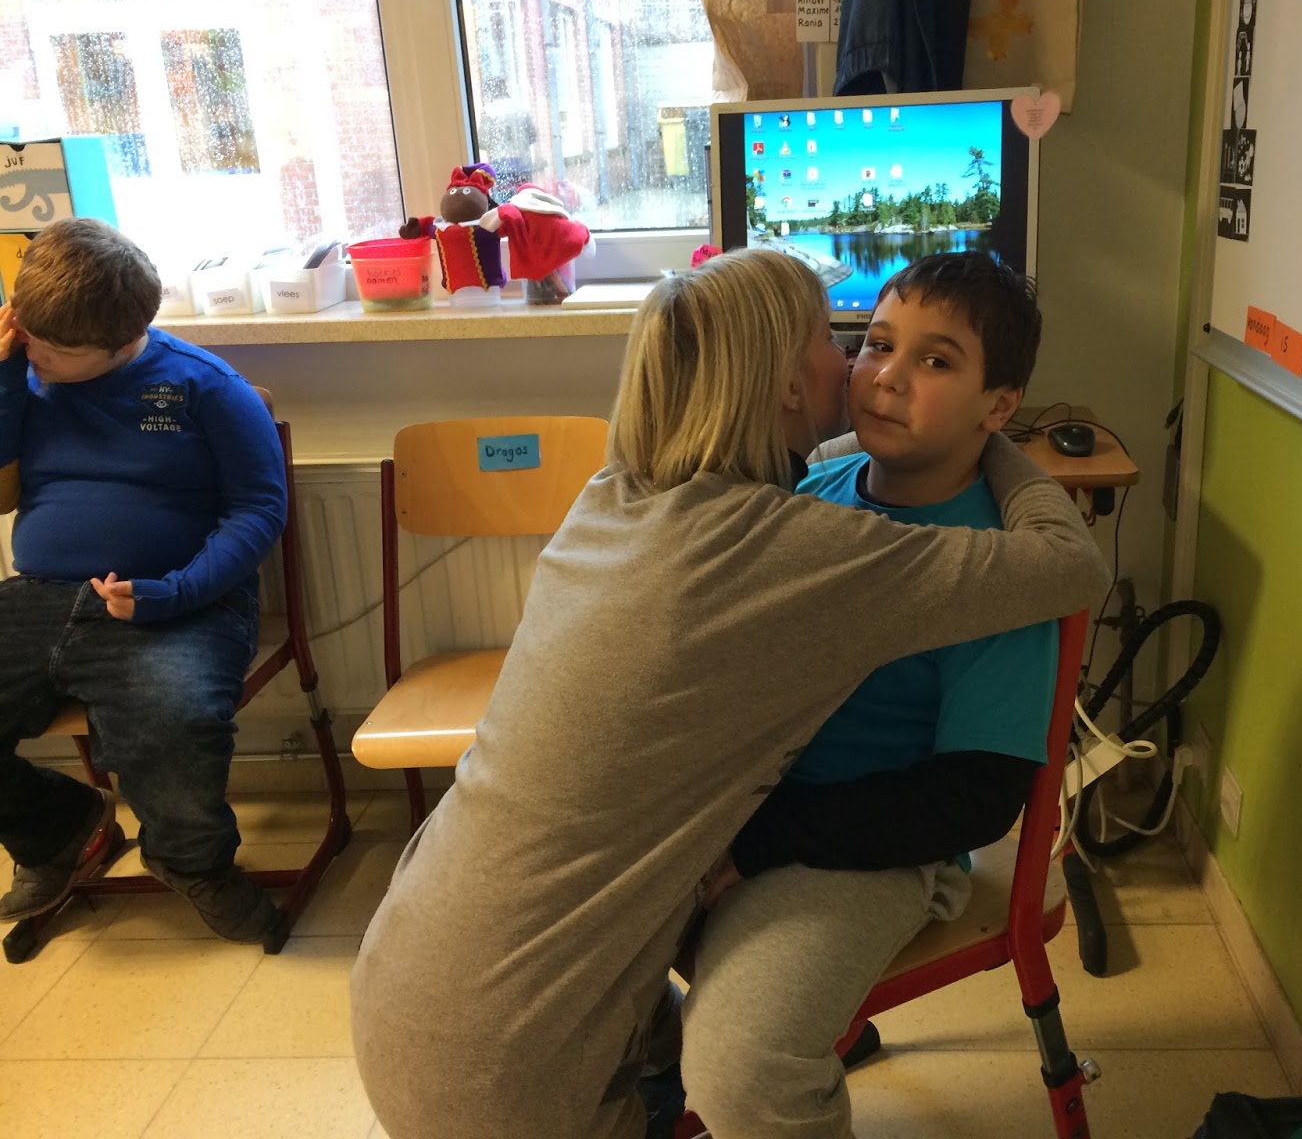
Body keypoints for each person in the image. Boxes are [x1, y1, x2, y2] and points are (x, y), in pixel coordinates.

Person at [349, 246, 1109, 1139]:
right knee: (721, 1045)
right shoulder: (795, 534)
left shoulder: (618, 492)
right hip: (504, 1076)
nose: (868, 372)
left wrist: (981, 440)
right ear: (787, 385)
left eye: (933, 360)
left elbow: (979, 786)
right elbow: (1065, 561)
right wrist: (993, 442)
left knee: (732, 1050)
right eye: (854, 342)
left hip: (407, 974)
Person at [674, 251, 1082, 1139]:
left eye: (936, 361)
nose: (888, 377)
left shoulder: (1001, 568)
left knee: (743, 1064)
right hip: (745, 814)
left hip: (873, 854)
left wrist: (761, 842)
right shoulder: (807, 489)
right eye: (877, 344)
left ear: (999, 407)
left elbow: (972, 799)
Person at [0, 218, 287, 942]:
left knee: (175, 720)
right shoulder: (22, 371)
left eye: (54, 348)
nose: (33, 352)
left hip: (174, 600)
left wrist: (176, 592)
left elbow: (258, 510)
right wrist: (5, 380)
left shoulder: (205, 386)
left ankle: (194, 864)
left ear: (121, 340)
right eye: (26, 332)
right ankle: (58, 829)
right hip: (39, 598)